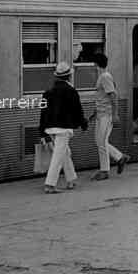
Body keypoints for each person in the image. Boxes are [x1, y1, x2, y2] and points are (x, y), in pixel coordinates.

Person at [39, 62, 88, 193]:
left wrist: (42, 132)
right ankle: (50, 185)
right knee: (58, 156)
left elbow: (43, 113)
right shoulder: (71, 91)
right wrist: (83, 123)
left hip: (50, 128)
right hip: (64, 128)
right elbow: (77, 110)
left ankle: (71, 179)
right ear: (69, 76)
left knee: (64, 153)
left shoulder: (47, 92)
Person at [88, 53, 129, 180]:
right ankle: (120, 157)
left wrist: (115, 114)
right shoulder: (102, 77)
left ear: (96, 64)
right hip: (101, 114)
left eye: (93, 63)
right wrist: (94, 113)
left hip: (106, 115)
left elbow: (113, 96)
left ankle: (105, 171)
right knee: (100, 141)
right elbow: (102, 97)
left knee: (101, 142)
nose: (92, 66)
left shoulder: (105, 77)